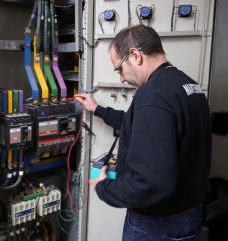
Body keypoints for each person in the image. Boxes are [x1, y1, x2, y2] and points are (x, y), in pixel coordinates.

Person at [75, 25, 211, 240]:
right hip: (190, 215)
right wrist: (97, 109)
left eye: (119, 69)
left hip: (157, 225)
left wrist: (104, 188)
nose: (120, 78)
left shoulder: (153, 96)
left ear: (135, 55)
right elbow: (140, 124)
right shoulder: (187, 85)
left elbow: (151, 182)